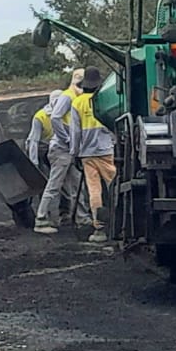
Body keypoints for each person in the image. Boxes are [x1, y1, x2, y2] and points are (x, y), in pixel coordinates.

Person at [33, 69, 88, 234]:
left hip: (68, 150)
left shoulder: (75, 97)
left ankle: (82, 216)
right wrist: (67, 138)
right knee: (54, 185)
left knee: (78, 185)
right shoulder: (68, 97)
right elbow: (56, 117)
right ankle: (41, 219)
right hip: (61, 149)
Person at [69, 68, 117, 244]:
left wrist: (74, 152)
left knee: (94, 190)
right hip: (106, 149)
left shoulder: (77, 103)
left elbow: (75, 131)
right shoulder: (103, 99)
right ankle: (119, 221)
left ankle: (99, 228)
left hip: (87, 153)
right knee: (114, 185)